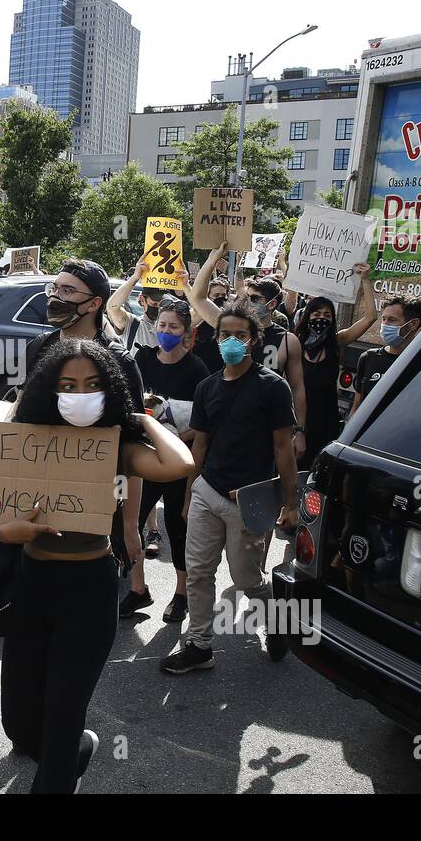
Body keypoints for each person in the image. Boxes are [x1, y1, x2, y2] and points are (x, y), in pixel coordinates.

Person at [0, 338, 193, 792]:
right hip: (31, 586)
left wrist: (141, 417)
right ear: (50, 389)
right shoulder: (28, 442)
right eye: (67, 385)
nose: (79, 394)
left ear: (109, 391)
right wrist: (8, 532)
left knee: (63, 716)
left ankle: (63, 766)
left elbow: (178, 462)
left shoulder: (118, 447)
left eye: (92, 385)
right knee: (21, 720)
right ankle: (77, 750)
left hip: (89, 591)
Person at [160, 301, 299, 674]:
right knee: (200, 572)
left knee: (247, 579)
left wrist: (290, 503)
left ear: (253, 340)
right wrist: (191, 494)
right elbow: (199, 445)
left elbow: (283, 448)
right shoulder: (207, 387)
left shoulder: (273, 388)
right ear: (216, 339)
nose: (231, 341)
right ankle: (199, 645)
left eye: (240, 335)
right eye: (225, 335)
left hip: (248, 502)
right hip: (208, 492)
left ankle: (279, 623)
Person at [23, 259, 148, 580]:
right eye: (54, 288)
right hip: (40, 501)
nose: (55, 297)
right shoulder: (39, 348)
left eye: (67, 290)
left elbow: (133, 448)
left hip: (96, 514)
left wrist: (130, 526)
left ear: (94, 303)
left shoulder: (118, 360)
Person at [121, 299, 209, 622]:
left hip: (178, 463)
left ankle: (181, 594)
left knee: (177, 526)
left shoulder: (196, 370)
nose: (166, 332)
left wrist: (171, 441)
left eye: (173, 327)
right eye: (162, 326)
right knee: (131, 523)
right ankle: (138, 589)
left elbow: (201, 427)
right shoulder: (142, 360)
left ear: (186, 332)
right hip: (145, 460)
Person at [189, 245, 306, 460]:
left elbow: (297, 388)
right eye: (247, 297)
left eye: (254, 299)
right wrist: (213, 259)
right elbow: (198, 298)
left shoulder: (288, 340)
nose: (247, 302)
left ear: (271, 305)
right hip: (226, 418)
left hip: (265, 425)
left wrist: (299, 431)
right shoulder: (231, 325)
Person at [289, 264, 375, 467]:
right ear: (307, 317)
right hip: (296, 421)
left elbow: (371, 317)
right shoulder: (294, 344)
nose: (321, 319)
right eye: (316, 314)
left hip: (325, 420)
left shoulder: (338, 341)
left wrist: (365, 280)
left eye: (327, 316)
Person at [349, 294, 421, 416]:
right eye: (383, 319)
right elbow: (357, 406)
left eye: (392, 320)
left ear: (414, 324)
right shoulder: (368, 358)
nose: (385, 325)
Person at [106, 261, 164, 352]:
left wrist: (185, 286)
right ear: (142, 300)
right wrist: (135, 277)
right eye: (154, 303)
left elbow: (195, 314)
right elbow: (112, 307)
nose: (159, 308)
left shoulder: (172, 327)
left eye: (163, 304)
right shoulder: (132, 324)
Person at [192, 277, 231, 374]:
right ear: (208, 297)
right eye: (216, 295)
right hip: (200, 367)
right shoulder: (198, 315)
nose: (220, 298)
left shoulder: (230, 316)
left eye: (223, 295)